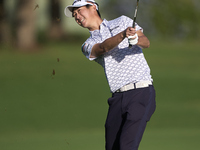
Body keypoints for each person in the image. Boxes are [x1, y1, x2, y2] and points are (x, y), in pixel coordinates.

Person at [64, 0, 156, 150]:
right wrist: (123, 35)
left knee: (127, 146)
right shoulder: (87, 44)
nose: (77, 17)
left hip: (140, 92)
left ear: (93, 7)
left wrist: (135, 39)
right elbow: (103, 47)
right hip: (117, 99)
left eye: (79, 11)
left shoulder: (123, 21)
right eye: (74, 15)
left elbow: (146, 42)